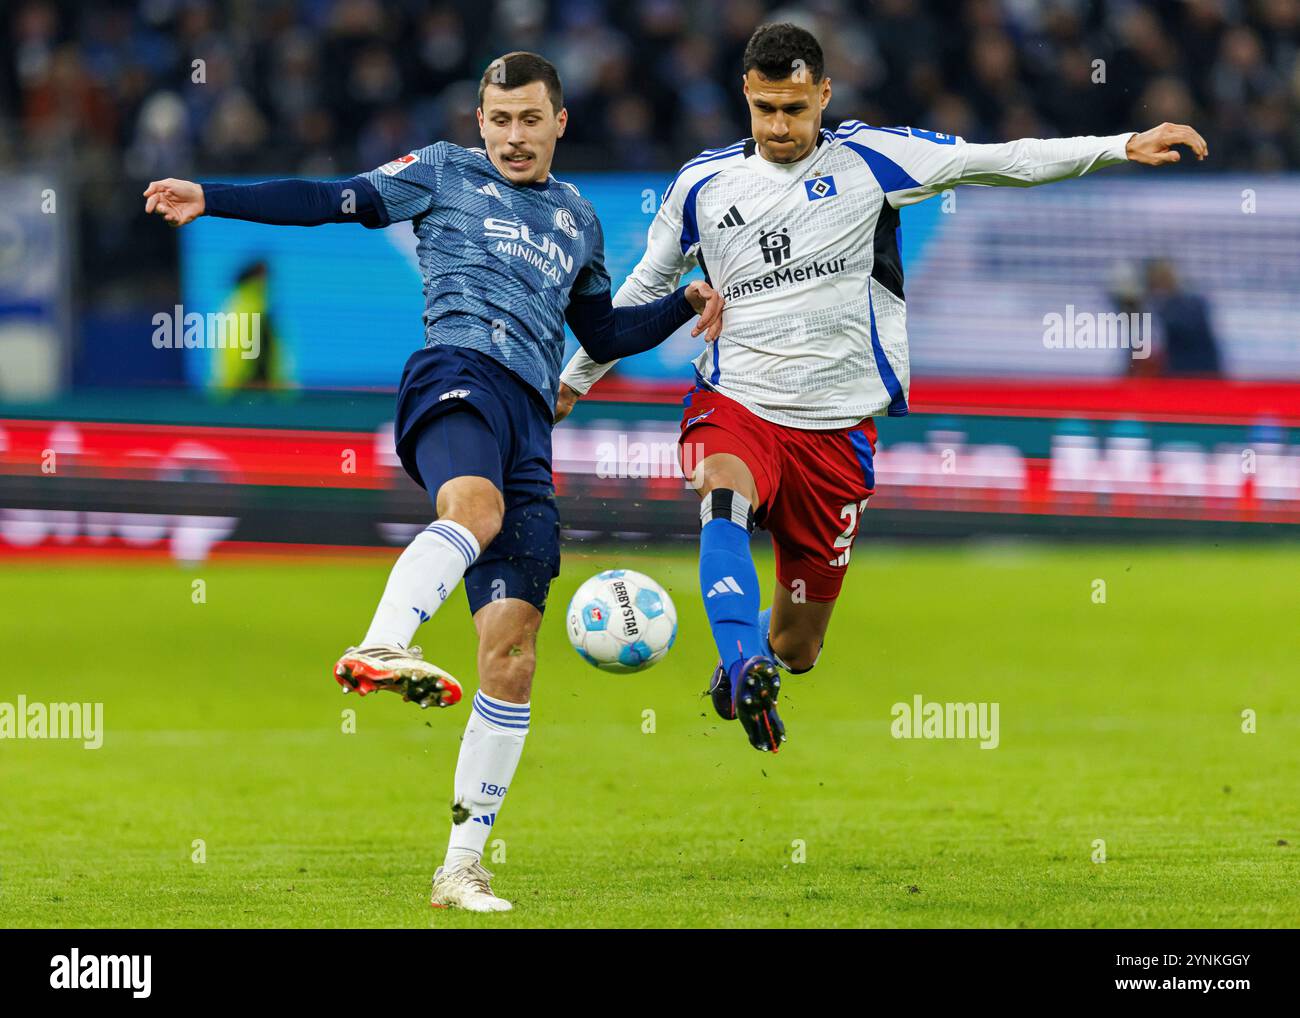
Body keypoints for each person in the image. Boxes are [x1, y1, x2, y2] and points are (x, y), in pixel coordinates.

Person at [145, 51, 723, 911]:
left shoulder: (578, 218)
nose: (514, 136)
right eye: (499, 120)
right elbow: (332, 199)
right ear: (478, 123)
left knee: (514, 653)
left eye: (531, 119)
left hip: (531, 416)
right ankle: (383, 639)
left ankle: (460, 867)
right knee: (473, 508)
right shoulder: (441, 172)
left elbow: (598, 327)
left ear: (560, 121)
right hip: (455, 371)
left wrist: (682, 303)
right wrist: (213, 195)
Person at [556, 22, 1207, 754]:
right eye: (765, 108)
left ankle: (756, 660)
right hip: (736, 403)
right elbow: (645, 289)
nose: (779, 126)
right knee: (722, 496)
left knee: (799, 648)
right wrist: (573, 381)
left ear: (824, 95)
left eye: (795, 109)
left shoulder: (875, 160)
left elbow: (1001, 161)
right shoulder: (702, 184)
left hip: (838, 433)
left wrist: (1119, 144)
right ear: (746, 94)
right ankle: (742, 663)